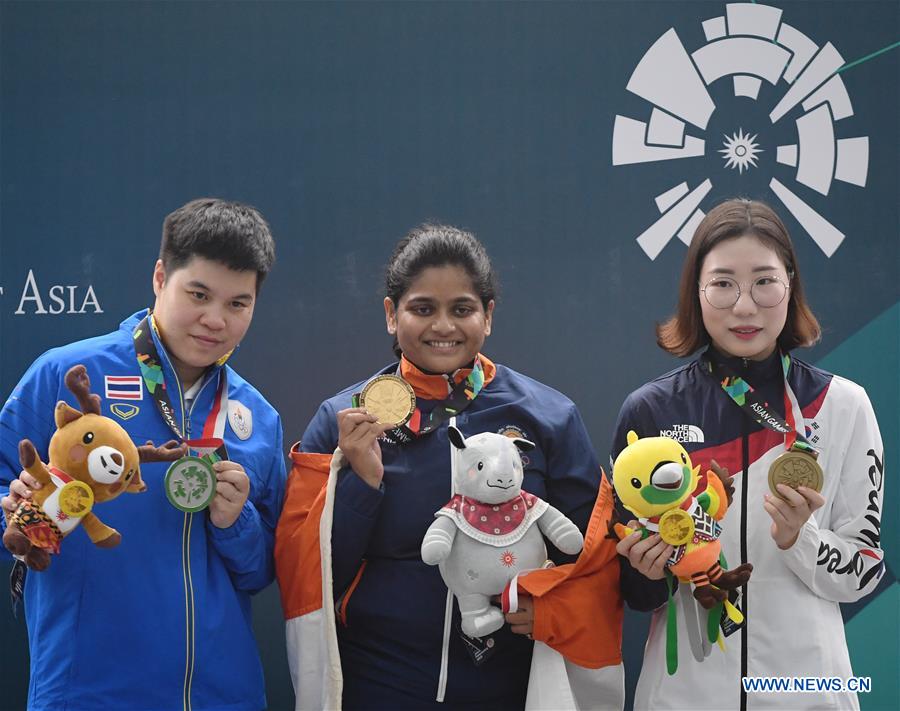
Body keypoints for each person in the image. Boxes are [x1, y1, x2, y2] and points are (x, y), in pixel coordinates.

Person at [275, 224, 653, 710]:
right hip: (380, 684)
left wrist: (554, 608)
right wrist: (363, 483)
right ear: (391, 314)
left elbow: (593, 557)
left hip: (511, 688)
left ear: (488, 316)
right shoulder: (344, 420)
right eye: (422, 309)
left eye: (461, 309)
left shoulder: (549, 417)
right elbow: (311, 579)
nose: (443, 326)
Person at [0, 198, 286, 710]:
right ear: (159, 277)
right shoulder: (65, 375)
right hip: (88, 693)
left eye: (237, 304)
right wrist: (16, 509)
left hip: (224, 697)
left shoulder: (257, 418)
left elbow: (262, 571)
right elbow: (6, 500)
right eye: (198, 294)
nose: (215, 320)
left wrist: (235, 523)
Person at [612, 199, 885, 709]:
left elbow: (863, 571)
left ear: (790, 285)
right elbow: (629, 591)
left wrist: (799, 538)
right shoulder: (650, 410)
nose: (744, 306)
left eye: (764, 281)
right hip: (683, 696)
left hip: (808, 694)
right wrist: (647, 574)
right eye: (723, 283)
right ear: (696, 291)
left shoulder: (843, 405)